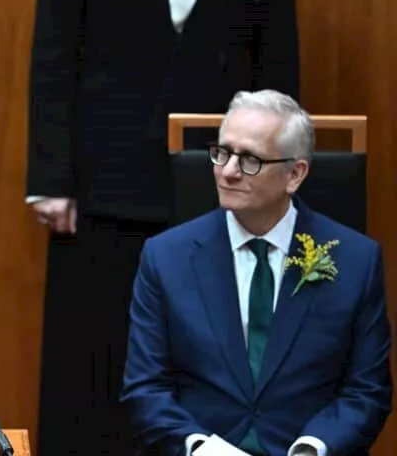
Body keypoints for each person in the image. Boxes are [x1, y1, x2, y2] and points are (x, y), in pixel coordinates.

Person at [26, 0, 301, 455]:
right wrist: (51, 178)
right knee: (96, 356)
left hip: (221, 183)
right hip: (106, 183)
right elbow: (54, 59)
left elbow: (280, 68)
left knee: (210, 351)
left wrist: (277, 176)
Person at [122, 90, 392, 455]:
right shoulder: (165, 257)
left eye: (249, 160)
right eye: (222, 153)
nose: (229, 172)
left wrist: (313, 448)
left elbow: (367, 392)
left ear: (294, 174)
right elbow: (145, 389)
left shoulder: (357, 261)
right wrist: (202, 448)